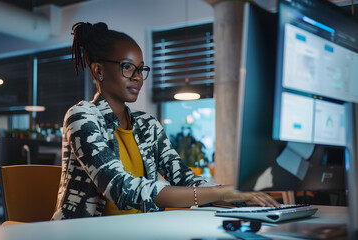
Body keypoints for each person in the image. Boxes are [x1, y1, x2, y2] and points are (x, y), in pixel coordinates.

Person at [52, 22, 279, 220]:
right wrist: (220, 193)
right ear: (98, 69)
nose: (138, 77)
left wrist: (241, 197)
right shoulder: (81, 116)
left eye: (141, 69)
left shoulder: (147, 124)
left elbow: (184, 178)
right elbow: (121, 188)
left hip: (141, 230)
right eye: (127, 67)